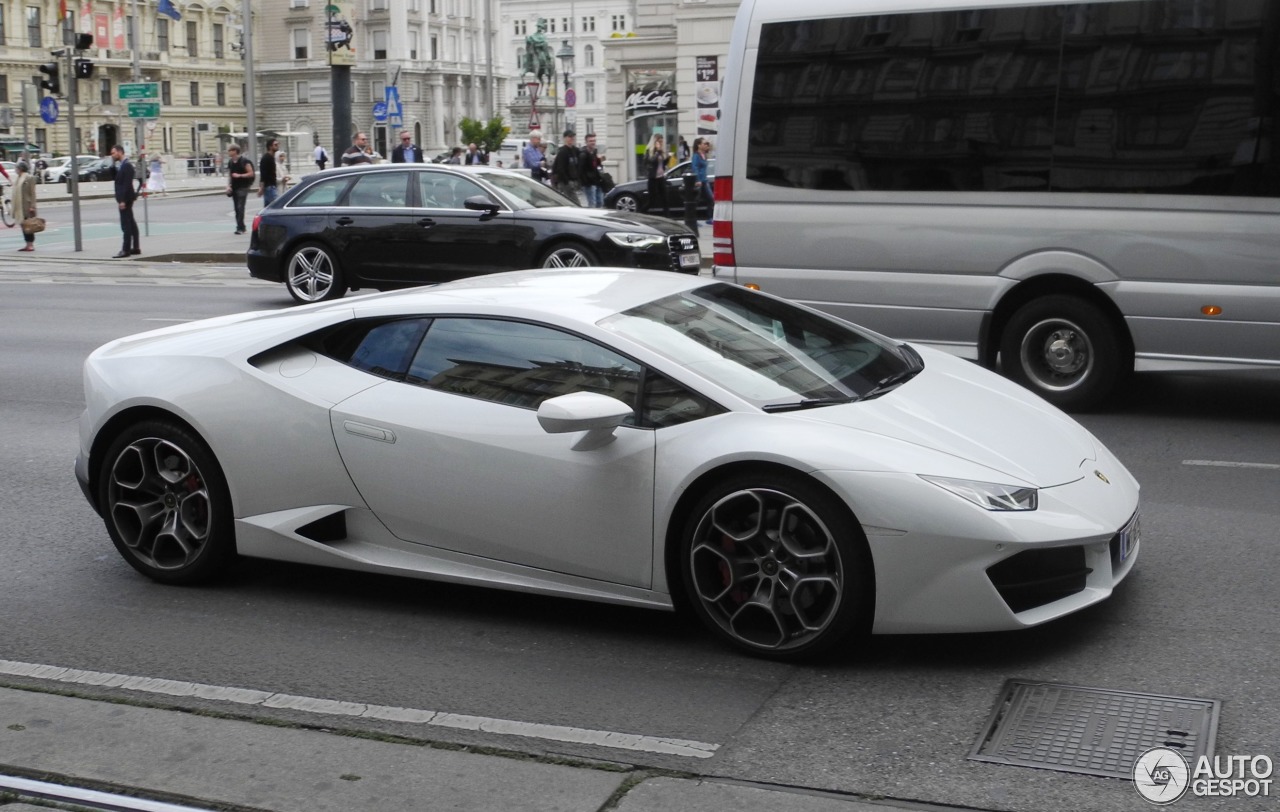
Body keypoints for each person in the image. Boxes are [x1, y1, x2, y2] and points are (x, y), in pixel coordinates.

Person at [111, 145, 141, 257]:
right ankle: (136, 247)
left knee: (126, 225)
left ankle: (126, 249)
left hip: (125, 199)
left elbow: (126, 185)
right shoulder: (121, 165)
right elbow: (115, 178)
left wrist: (122, 201)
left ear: (120, 152)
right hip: (126, 198)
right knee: (131, 223)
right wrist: (112, 165)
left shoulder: (127, 166)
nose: (112, 155)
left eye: (113, 153)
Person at [225, 144, 255, 234]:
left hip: (243, 187)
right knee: (236, 208)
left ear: (235, 151)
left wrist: (240, 175)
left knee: (240, 206)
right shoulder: (230, 162)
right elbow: (230, 175)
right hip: (234, 187)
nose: (228, 152)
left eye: (230, 150)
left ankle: (240, 228)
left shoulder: (244, 161)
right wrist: (228, 186)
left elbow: (251, 173)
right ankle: (242, 227)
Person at [12, 161, 37, 252]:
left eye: (16, 168)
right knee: (23, 225)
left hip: (27, 205)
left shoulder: (29, 178)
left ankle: (30, 244)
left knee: (29, 226)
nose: (15, 170)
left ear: (21, 169)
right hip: (19, 206)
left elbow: (32, 193)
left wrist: (32, 206)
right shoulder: (18, 178)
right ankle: (27, 244)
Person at [551, 129, 581, 202]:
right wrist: (567, 182)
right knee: (575, 203)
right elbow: (560, 168)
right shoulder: (563, 152)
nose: (572, 138)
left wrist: (578, 179)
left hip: (573, 181)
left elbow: (578, 166)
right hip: (564, 182)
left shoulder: (575, 150)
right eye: (570, 137)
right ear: (565, 138)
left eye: (573, 136)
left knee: (569, 202)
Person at [644, 133, 669, 216]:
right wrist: (657, 152)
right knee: (652, 200)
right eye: (659, 142)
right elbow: (651, 162)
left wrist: (668, 157)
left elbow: (663, 164)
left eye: (662, 142)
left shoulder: (661, 151)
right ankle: (642, 212)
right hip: (653, 178)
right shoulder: (649, 151)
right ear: (654, 142)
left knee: (665, 198)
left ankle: (667, 216)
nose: (661, 144)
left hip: (661, 177)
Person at [692, 137, 714, 224]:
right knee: (696, 200)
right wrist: (697, 180)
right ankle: (693, 219)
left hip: (705, 180)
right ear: (699, 145)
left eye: (705, 144)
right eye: (703, 143)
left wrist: (708, 142)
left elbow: (710, 146)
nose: (705, 145)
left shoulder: (704, 154)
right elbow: (695, 167)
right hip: (699, 181)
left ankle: (710, 217)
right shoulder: (696, 155)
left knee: (710, 198)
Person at [579, 132, 605, 207]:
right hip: (589, 183)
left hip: (597, 181)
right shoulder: (583, 154)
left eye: (594, 141)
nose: (593, 143)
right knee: (592, 204)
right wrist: (586, 181)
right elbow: (580, 170)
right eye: (590, 141)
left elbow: (596, 166)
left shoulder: (594, 152)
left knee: (600, 202)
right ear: (586, 142)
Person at [258, 139, 280, 205]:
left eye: (278, 144)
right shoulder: (266, 158)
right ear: (270, 147)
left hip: (271, 185)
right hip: (269, 186)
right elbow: (263, 174)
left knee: (269, 207)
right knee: (274, 206)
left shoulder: (271, 157)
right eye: (275, 145)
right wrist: (261, 187)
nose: (278, 146)